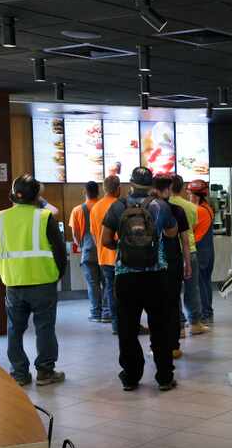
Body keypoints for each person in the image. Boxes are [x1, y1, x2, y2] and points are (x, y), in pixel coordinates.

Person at [101, 167, 178, 391]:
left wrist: (125, 248)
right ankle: (164, 377)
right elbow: (172, 233)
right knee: (160, 326)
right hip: (156, 275)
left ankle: (131, 376)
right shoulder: (160, 206)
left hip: (126, 276)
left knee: (127, 328)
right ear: (151, 185)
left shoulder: (118, 206)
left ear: (131, 183)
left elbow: (105, 239)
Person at [0, 174, 67, 386]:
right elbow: (60, 252)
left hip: (13, 282)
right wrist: (57, 274)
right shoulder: (44, 217)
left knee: (14, 329)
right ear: (36, 196)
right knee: (44, 327)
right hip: (43, 281)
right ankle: (45, 372)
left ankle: (19, 373)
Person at [153, 174, 191, 359]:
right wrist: (187, 263)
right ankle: (174, 346)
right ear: (167, 190)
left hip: (153, 264)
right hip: (173, 262)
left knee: (156, 306)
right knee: (173, 302)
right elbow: (185, 241)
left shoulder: (148, 209)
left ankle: (157, 346)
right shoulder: (177, 210)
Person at [170, 175, 207, 336]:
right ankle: (195, 323)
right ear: (182, 188)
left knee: (173, 290)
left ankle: (179, 327)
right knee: (192, 288)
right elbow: (191, 227)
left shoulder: (166, 205)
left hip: (173, 252)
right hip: (190, 250)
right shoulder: (192, 207)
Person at [69, 181, 106, 323]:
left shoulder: (77, 210)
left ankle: (96, 312)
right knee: (107, 283)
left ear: (84, 192)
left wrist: (82, 245)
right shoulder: (104, 207)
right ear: (98, 191)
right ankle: (107, 311)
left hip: (88, 251)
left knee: (93, 284)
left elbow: (75, 234)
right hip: (105, 250)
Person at [90, 175, 121, 331]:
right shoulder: (119, 205)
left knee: (110, 290)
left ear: (104, 189)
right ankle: (128, 324)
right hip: (120, 257)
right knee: (125, 293)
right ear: (118, 189)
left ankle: (116, 324)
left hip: (103, 256)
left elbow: (95, 234)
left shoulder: (95, 208)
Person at [188, 180, 215, 324]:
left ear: (196, 196)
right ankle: (208, 311)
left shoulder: (198, 211)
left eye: (190, 194)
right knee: (206, 281)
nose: (188, 196)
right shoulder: (208, 208)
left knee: (200, 283)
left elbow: (189, 230)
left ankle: (205, 313)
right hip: (209, 249)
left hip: (200, 250)